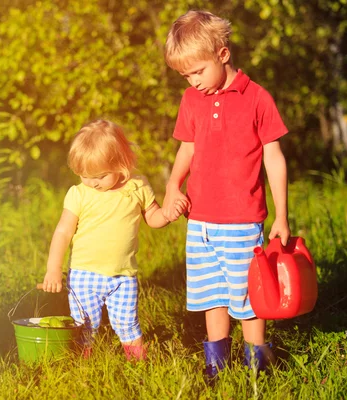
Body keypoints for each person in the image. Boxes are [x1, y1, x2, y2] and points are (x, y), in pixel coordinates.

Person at [161, 10, 291, 377]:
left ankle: (256, 367)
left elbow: (274, 159)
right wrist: (173, 186)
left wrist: (281, 215)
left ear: (222, 54)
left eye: (197, 71)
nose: (192, 81)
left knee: (248, 298)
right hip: (199, 221)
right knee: (211, 296)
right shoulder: (191, 100)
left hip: (241, 222)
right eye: (185, 75)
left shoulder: (257, 98)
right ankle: (215, 368)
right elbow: (186, 149)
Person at [41, 119, 187, 361]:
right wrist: (53, 269)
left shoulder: (137, 185)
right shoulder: (79, 194)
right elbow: (63, 232)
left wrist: (168, 215)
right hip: (85, 274)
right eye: (84, 175)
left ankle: (139, 364)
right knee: (85, 326)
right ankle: (83, 366)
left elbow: (152, 216)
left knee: (128, 323)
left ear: (121, 163)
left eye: (99, 175)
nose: (92, 182)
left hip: (123, 275)